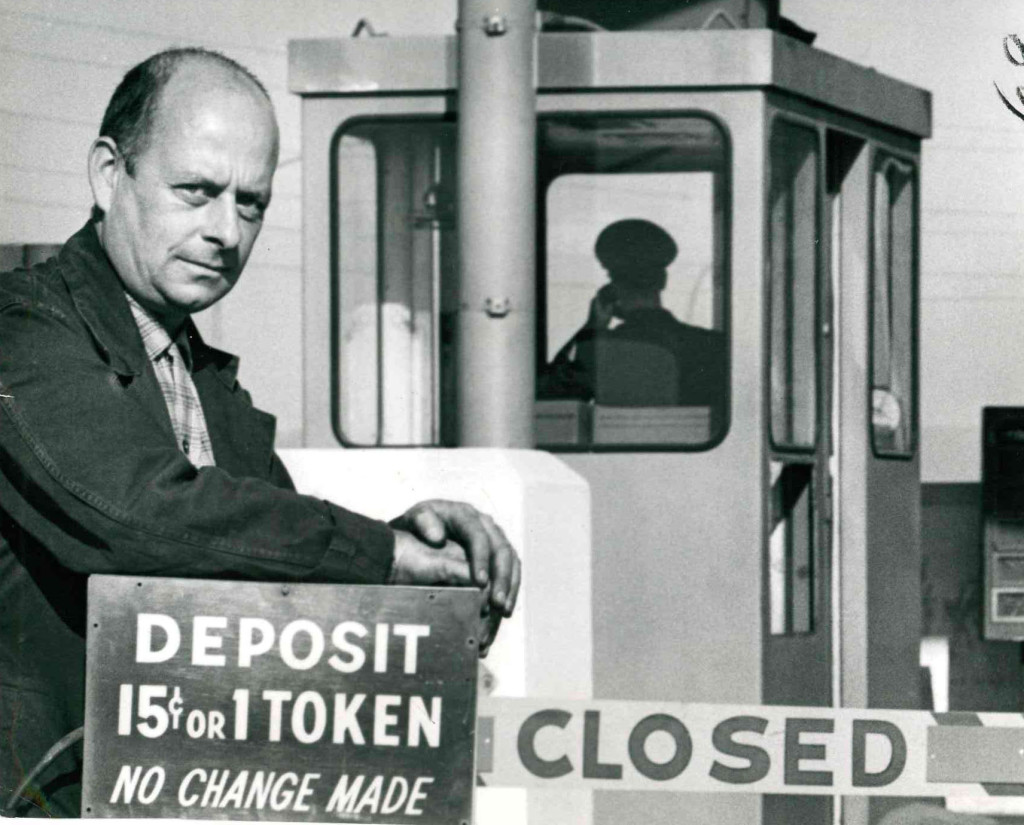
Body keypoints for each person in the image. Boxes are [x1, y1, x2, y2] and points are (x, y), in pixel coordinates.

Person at [0, 48, 519, 816]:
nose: (224, 230)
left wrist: (415, 554)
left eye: (251, 203)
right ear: (109, 174)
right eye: (196, 191)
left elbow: (261, 559)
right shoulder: (26, 326)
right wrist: (385, 557)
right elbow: (140, 516)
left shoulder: (206, 380)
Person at [538, 218, 726, 410]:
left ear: (611, 289)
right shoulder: (713, 345)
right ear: (663, 281)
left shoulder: (597, 351)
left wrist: (591, 326)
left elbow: (547, 397)